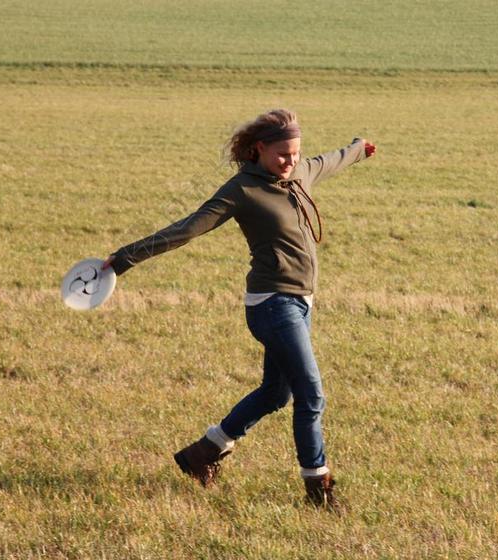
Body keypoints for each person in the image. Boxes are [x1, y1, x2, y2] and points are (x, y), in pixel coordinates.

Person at [103, 108, 376, 511]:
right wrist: (124, 258)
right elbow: (187, 228)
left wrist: (359, 149)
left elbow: (330, 160)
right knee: (310, 393)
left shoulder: (299, 173)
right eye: (282, 154)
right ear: (259, 149)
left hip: (301, 304)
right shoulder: (242, 190)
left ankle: (203, 453)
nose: (290, 161)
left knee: (275, 393)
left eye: (296, 153)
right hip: (272, 305)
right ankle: (318, 488)